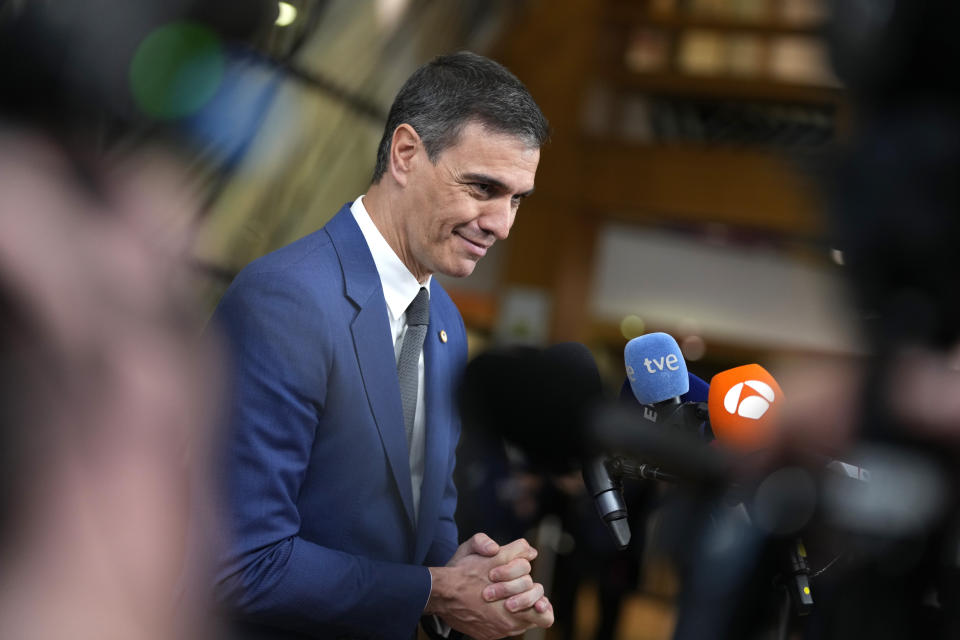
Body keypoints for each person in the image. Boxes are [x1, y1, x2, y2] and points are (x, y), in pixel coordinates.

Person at [210, 51, 554, 639]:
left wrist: (474, 579)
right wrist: (438, 591)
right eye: (483, 188)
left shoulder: (445, 321)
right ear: (405, 154)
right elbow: (242, 562)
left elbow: (428, 512)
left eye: (517, 198)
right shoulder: (285, 302)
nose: (502, 224)